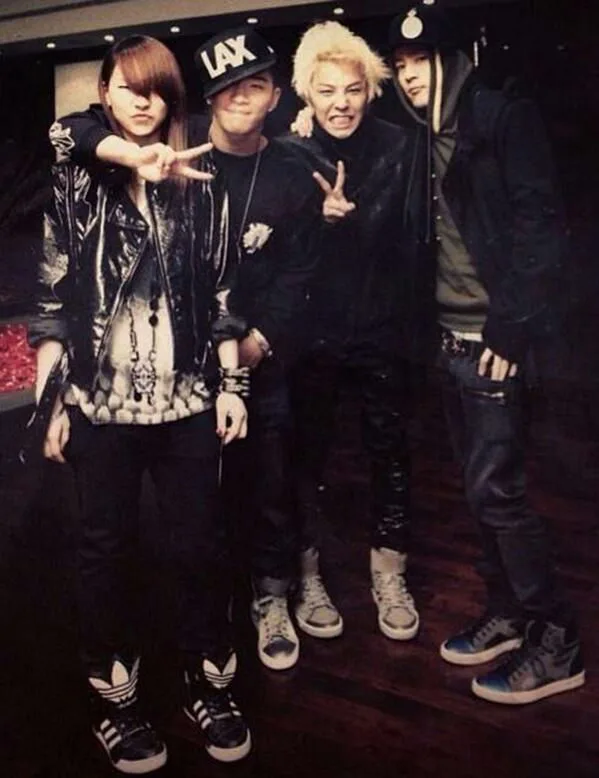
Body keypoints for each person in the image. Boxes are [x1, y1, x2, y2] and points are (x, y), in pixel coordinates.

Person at [55, 27, 322, 672]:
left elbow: (284, 277)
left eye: (255, 85)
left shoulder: (279, 169)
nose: (240, 98)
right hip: (133, 388)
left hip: (236, 365)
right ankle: (128, 670)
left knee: (257, 495)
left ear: (276, 96)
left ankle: (260, 613)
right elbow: (68, 132)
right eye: (227, 88)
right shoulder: (120, 160)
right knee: (129, 538)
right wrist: (57, 396)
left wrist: (249, 358)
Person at [30, 35, 252, 773]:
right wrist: (54, 402)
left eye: (155, 89)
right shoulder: (76, 180)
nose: (142, 101)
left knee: (200, 547)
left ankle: (208, 685)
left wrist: (232, 387)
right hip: (101, 406)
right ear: (104, 94)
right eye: (126, 87)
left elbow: (223, 295)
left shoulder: (204, 185)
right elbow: (53, 297)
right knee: (105, 553)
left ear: (172, 98)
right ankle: (115, 701)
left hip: (186, 404)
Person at [389, 1, 585, 703]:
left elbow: (541, 228)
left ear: (450, 60)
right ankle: (507, 612)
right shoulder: (417, 137)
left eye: (420, 63)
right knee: (478, 495)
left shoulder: (501, 117)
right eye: (400, 67)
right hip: (447, 339)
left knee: (496, 493)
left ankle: (557, 640)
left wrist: (509, 327)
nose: (410, 77)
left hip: (492, 341)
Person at [282, 21, 420, 642]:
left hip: (384, 327)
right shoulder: (291, 152)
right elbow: (277, 253)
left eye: (352, 89)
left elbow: (413, 239)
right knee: (306, 456)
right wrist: (319, 222)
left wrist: (352, 222)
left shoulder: (401, 145)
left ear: (370, 90)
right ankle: (307, 575)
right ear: (306, 95)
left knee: (390, 452)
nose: (341, 103)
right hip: (313, 334)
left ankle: (390, 575)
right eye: (326, 90)